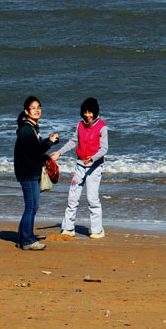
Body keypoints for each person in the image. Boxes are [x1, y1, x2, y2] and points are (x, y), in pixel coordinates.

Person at [50, 97, 109, 239]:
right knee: (72, 198)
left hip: (95, 167)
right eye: (85, 112)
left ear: (95, 112)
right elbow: (73, 142)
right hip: (80, 165)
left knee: (92, 199)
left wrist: (93, 157)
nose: (88, 115)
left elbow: (104, 149)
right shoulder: (80, 125)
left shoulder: (102, 127)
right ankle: (68, 228)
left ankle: (97, 230)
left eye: (90, 113)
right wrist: (59, 153)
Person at [13, 96, 59, 250]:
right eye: (33, 108)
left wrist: (48, 141)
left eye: (38, 107)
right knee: (32, 207)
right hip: (28, 173)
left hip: (29, 172)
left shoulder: (31, 128)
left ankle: (23, 238)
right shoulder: (27, 129)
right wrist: (50, 142)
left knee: (31, 207)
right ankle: (27, 240)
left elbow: (35, 149)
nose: (37, 110)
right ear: (26, 111)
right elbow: (36, 150)